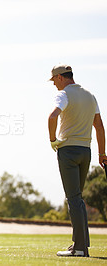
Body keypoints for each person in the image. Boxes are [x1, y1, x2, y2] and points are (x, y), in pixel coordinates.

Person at [48, 64, 107, 257]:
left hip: (68, 151)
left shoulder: (63, 94)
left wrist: (53, 140)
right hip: (86, 151)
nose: (54, 84)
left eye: (54, 80)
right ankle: (81, 245)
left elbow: (52, 116)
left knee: (73, 199)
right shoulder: (91, 96)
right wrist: (102, 154)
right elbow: (99, 127)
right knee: (78, 198)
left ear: (60, 78)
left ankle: (80, 248)